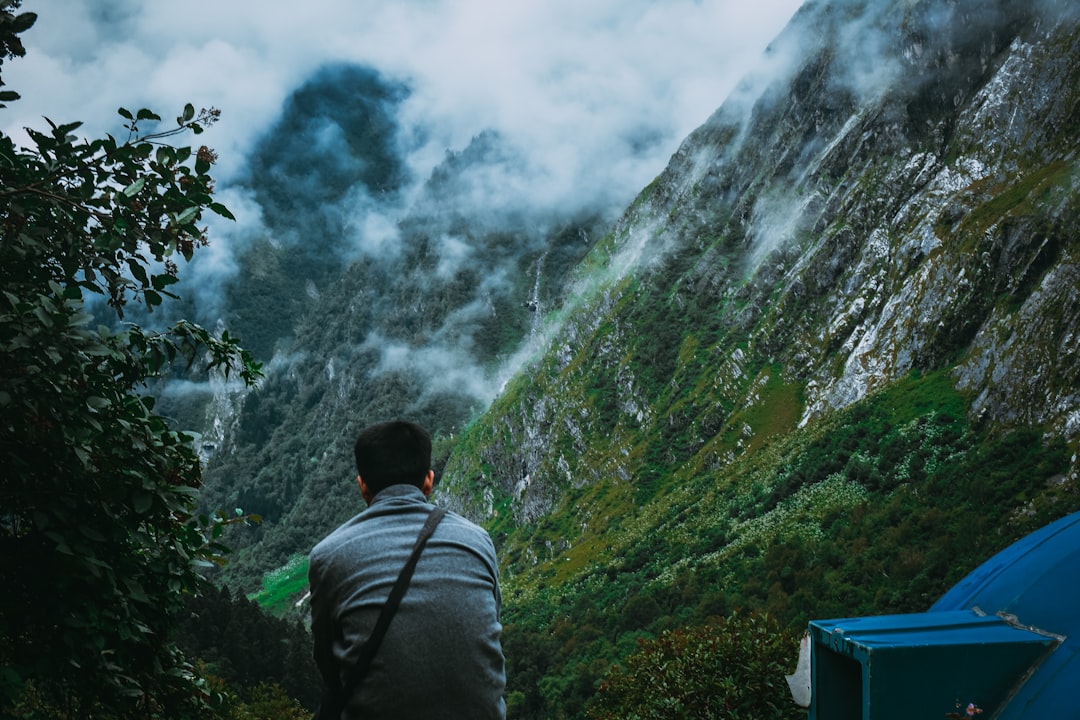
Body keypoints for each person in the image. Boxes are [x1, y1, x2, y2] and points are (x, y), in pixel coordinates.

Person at [308, 420, 506, 719]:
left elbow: (329, 664)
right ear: (429, 480)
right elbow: (489, 629)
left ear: (362, 485)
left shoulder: (328, 556)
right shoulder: (477, 541)